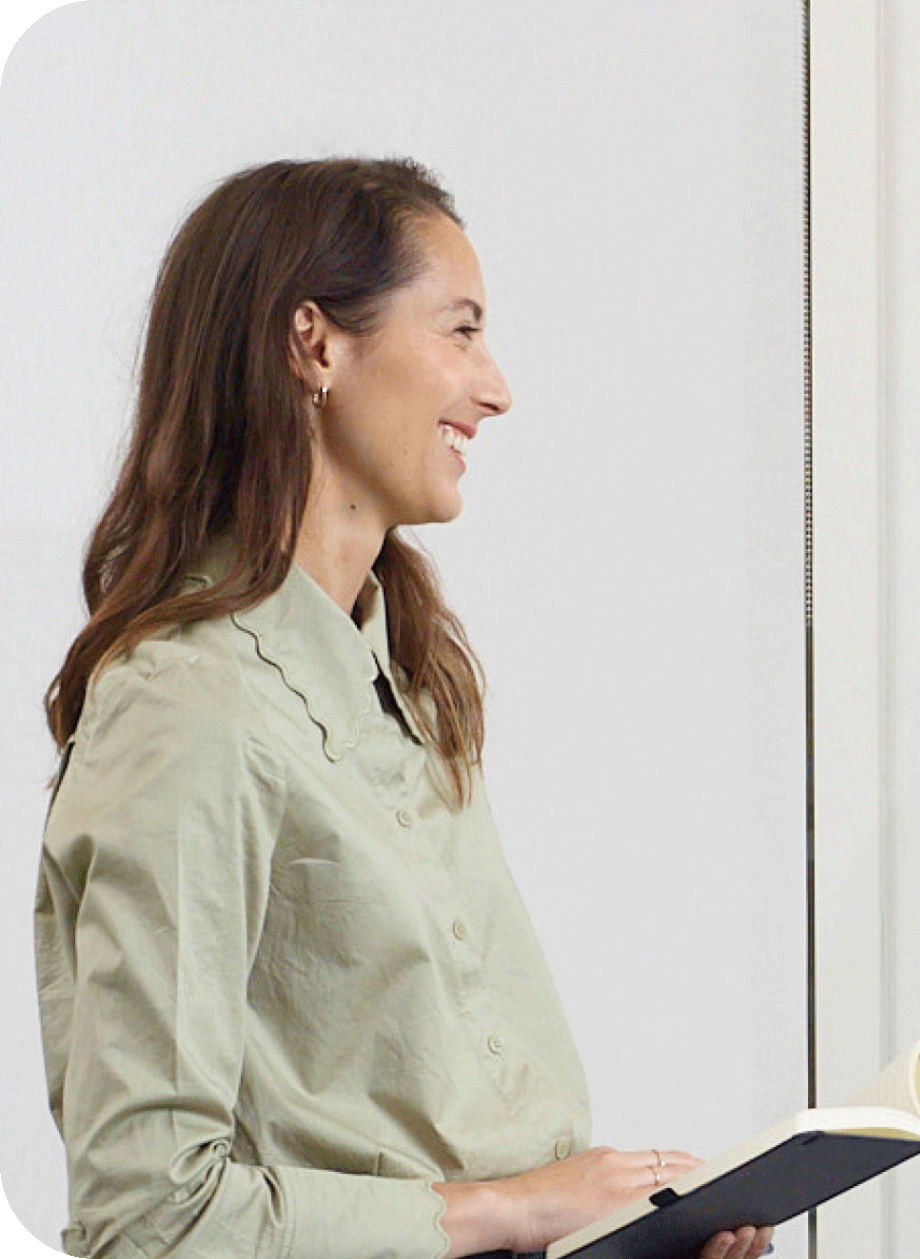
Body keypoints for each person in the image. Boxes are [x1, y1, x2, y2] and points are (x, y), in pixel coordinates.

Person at [34, 157, 775, 1259]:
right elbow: (147, 1213)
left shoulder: (412, 676)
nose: (497, 387)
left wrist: (614, 1226)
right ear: (316, 343)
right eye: (460, 331)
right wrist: (520, 1208)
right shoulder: (188, 707)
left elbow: (422, 1129)